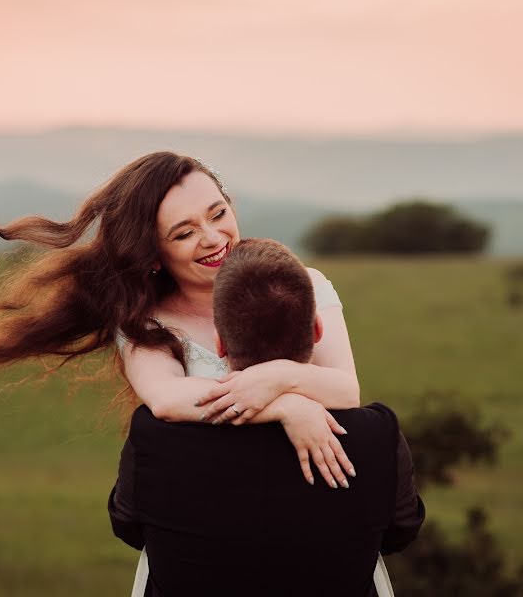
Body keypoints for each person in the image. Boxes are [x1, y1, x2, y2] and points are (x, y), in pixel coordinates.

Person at [0, 152, 364, 589]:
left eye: (218, 214)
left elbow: (346, 390)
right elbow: (168, 400)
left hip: (314, 525)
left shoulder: (302, 283)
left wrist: (277, 380)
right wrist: (287, 407)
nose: (212, 238)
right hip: (202, 539)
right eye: (184, 233)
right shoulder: (145, 322)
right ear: (153, 253)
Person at [109, 238, 425, 596]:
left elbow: (128, 526)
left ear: (220, 344)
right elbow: (402, 528)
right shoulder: (376, 436)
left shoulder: (155, 436)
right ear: (318, 330)